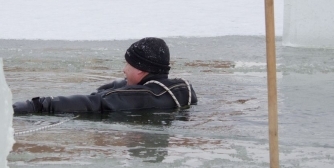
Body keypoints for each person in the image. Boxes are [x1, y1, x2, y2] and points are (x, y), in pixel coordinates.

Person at [12, 37, 197, 114]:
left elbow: (95, 103)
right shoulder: (184, 89)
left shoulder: (137, 97)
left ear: (140, 69)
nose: (124, 70)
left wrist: (36, 105)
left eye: (128, 64)